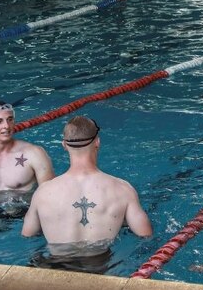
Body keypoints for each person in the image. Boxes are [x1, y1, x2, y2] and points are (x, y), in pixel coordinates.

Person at [21, 116, 152, 270]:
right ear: (98, 142)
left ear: (64, 145)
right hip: (103, 264)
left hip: (56, 264)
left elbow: (27, 235)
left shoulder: (43, 192)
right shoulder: (123, 189)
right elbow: (145, 235)